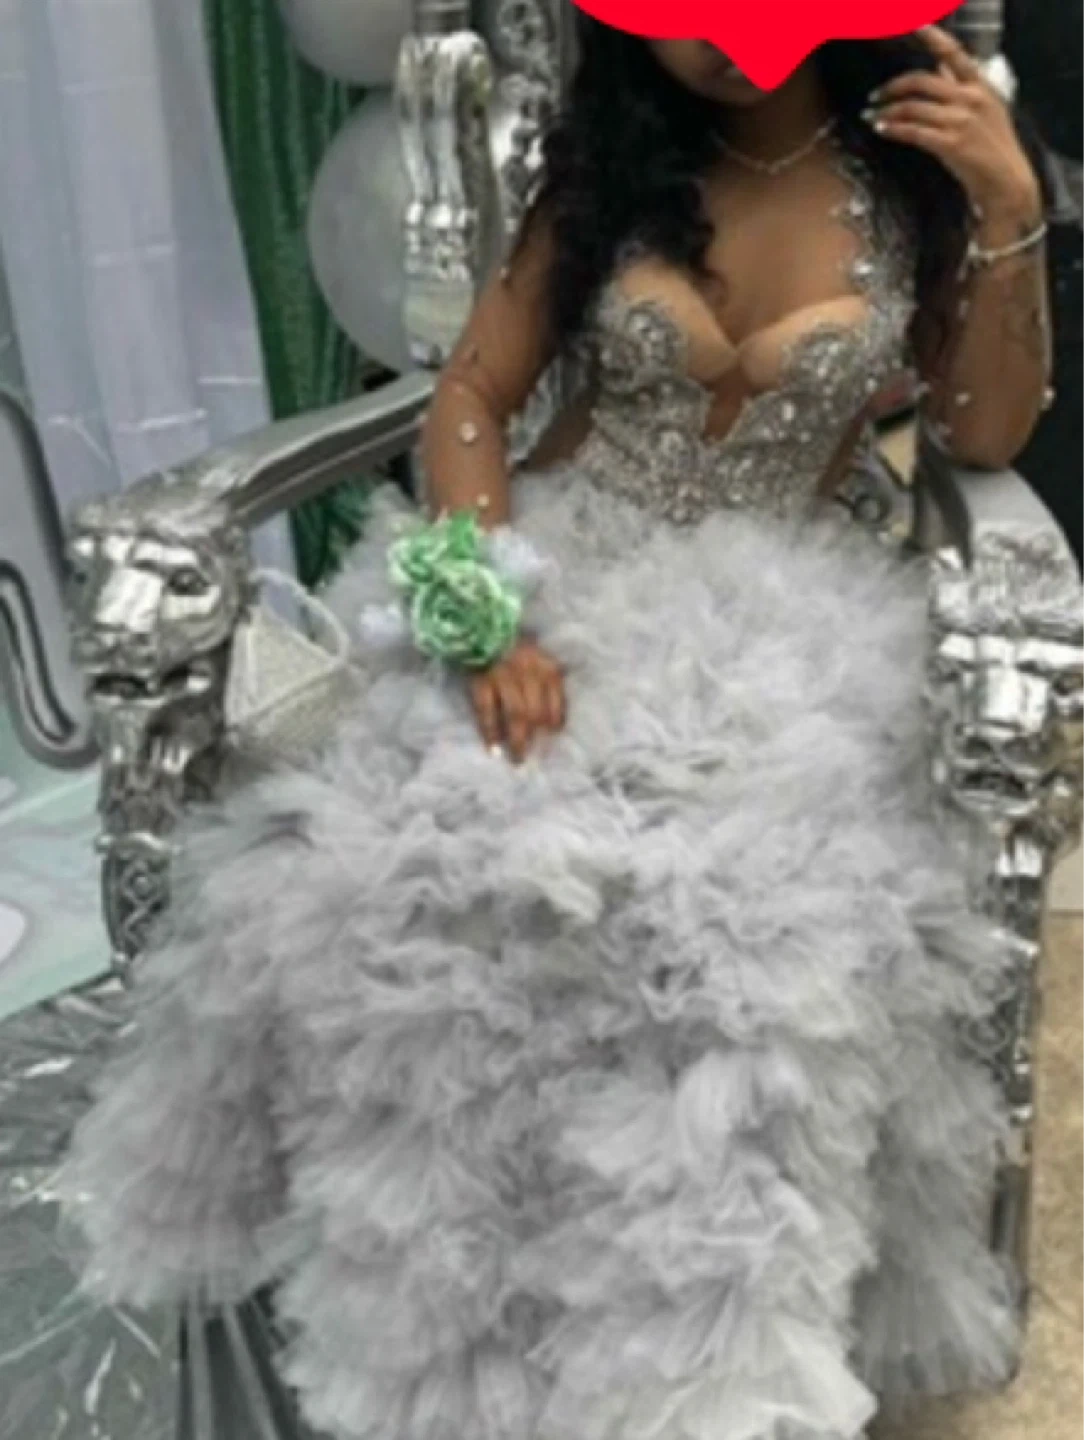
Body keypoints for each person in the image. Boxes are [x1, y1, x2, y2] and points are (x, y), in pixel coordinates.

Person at [60, 20, 1053, 1440]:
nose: (722, 42)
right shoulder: (612, 172)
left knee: (743, 951)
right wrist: (486, 607)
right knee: (420, 883)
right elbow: (472, 395)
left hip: (793, 630)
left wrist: (1010, 212)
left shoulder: (915, 188)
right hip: (558, 581)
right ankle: (444, 1359)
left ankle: (692, 1380)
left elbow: (986, 433)